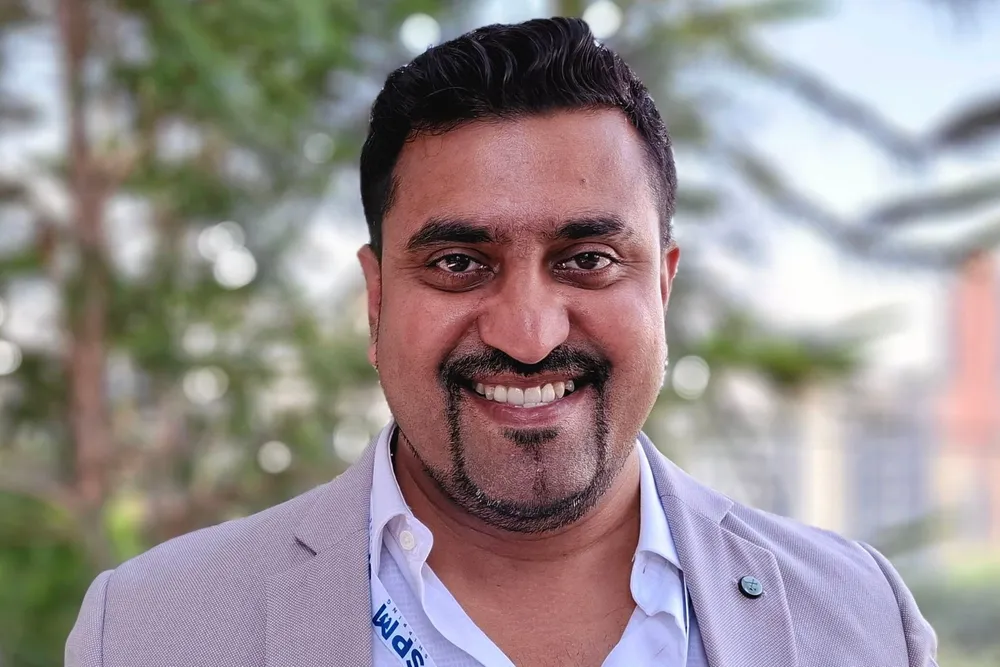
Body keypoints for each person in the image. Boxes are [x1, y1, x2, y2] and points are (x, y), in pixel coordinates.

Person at [66, 16, 938, 667]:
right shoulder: (147, 632)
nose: (528, 334)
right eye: (458, 262)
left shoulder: (861, 620)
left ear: (663, 287)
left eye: (588, 259)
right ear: (376, 299)